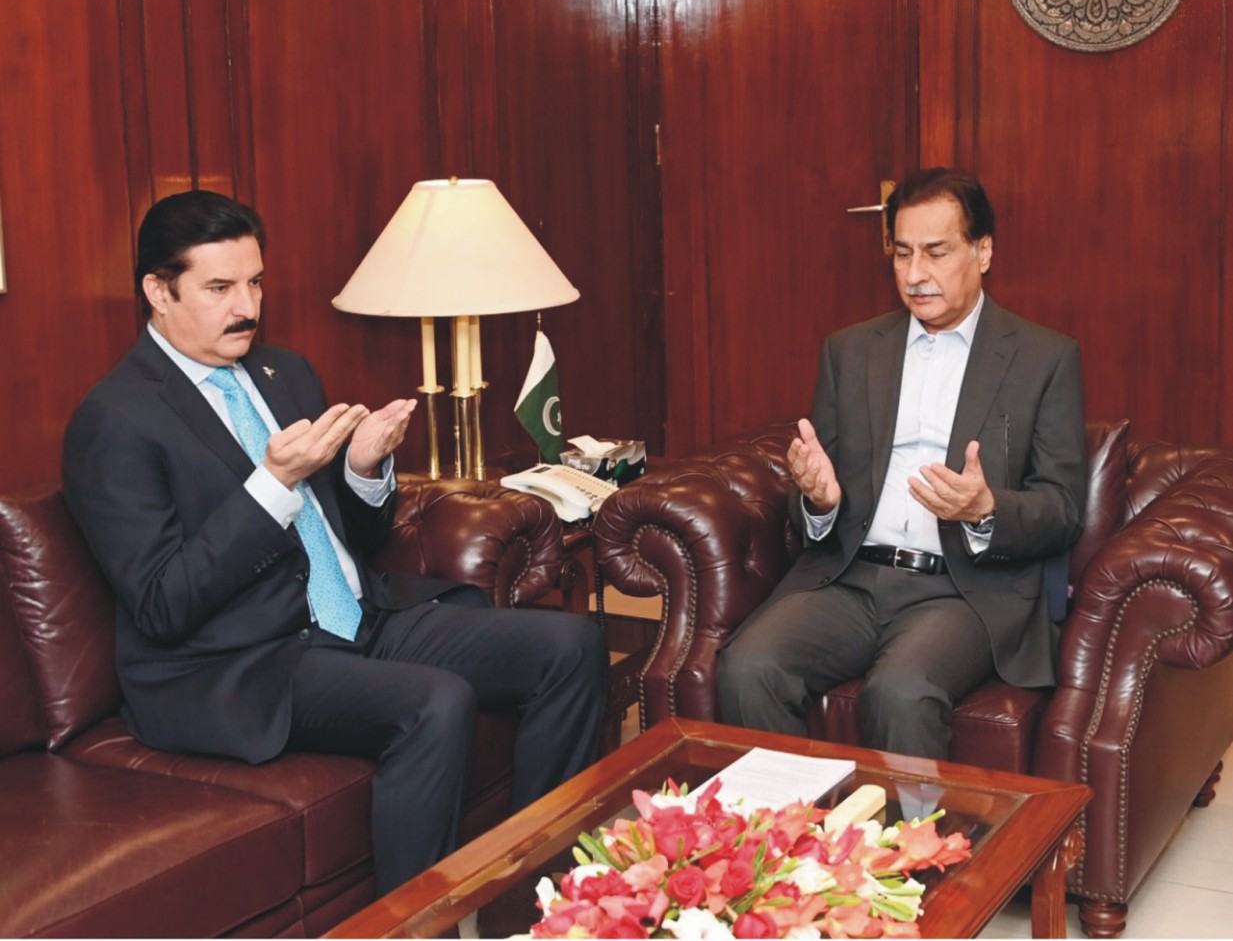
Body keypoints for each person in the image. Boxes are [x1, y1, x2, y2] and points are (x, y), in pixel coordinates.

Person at [62, 189, 607, 895]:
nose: (247, 307)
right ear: (157, 292)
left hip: (357, 618)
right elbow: (165, 602)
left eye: (255, 282)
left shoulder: (282, 373)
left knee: (569, 646)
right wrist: (271, 485)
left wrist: (361, 470)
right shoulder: (114, 420)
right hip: (243, 659)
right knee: (434, 702)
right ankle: (416, 922)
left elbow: (350, 537)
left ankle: (545, 890)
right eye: (219, 287)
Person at [717, 167, 1086, 759]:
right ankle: (799, 844)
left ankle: (911, 854)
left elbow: (1063, 508)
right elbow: (818, 484)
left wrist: (986, 508)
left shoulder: (1044, 358)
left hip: (961, 591)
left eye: (937, 253)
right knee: (747, 666)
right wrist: (817, 500)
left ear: (982, 251)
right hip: (851, 579)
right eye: (903, 254)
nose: (915, 276)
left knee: (901, 693)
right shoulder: (852, 351)